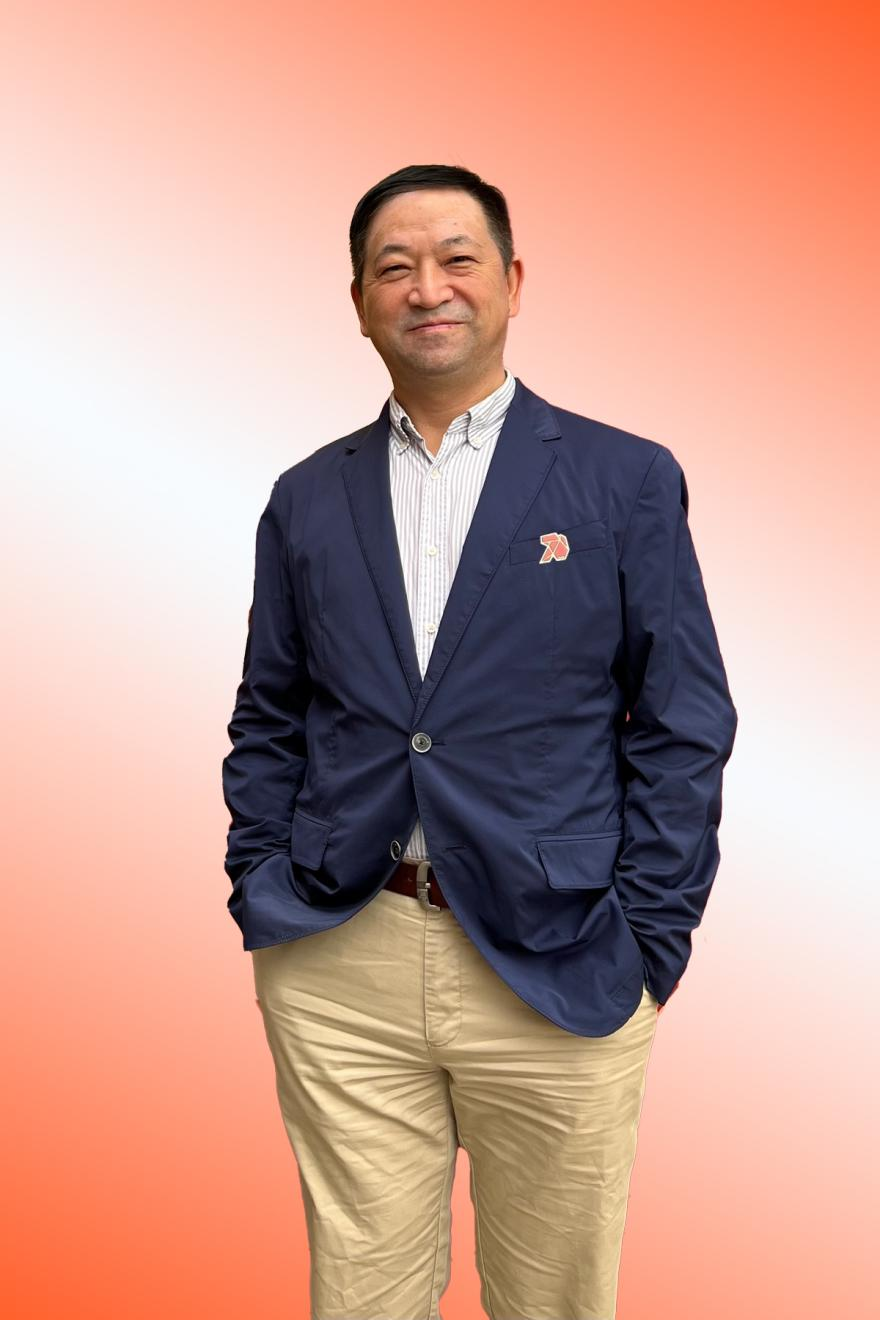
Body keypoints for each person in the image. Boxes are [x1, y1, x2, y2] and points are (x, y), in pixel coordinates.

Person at [222, 162, 738, 1320]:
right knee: (361, 1295)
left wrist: (649, 938)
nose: (427, 288)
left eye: (456, 260)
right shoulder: (306, 496)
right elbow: (270, 712)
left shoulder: (622, 479)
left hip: (564, 949)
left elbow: (682, 719)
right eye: (393, 267)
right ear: (358, 302)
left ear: (511, 281)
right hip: (341, 953)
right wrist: (262, 877)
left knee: (553, 1299)